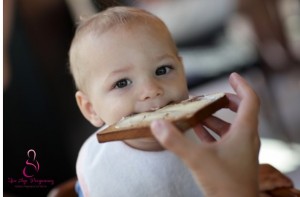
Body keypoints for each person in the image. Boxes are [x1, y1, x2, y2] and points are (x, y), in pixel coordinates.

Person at [68, 6, 294, 196]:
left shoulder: (205, 134)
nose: (151, 90)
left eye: (163, 69)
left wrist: (249, 181)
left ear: (183, 71)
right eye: (122, 83)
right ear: (90, 109)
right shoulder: (99, 166)